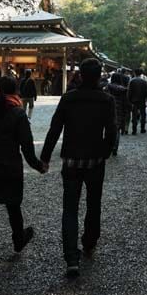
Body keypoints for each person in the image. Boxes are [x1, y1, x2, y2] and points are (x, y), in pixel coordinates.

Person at [40, 58, 116, 279]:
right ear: (100, 75)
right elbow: (111, 130)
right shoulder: (106, 100)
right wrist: (105, 152)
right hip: (94, 160)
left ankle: (71, 258)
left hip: (72, 159)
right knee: (94, 203)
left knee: (70, 208)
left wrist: (45, 157)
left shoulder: (69, 98)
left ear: (80, 75)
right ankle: (90, 241)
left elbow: (55, 129)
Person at [0, 77, 46, 279]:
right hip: (10, 167)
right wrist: (38, 166)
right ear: (15, 92)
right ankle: (18, 239)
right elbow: (27, 146)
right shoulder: (18, 113)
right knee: (13, 207)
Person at [108, 72, 130, 140]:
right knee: (117, 129)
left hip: (109, 110)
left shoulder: (107, 88)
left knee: (109, 127)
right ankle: (115, 146)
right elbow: (126, 102)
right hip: (120, 110)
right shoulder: (123, 90)